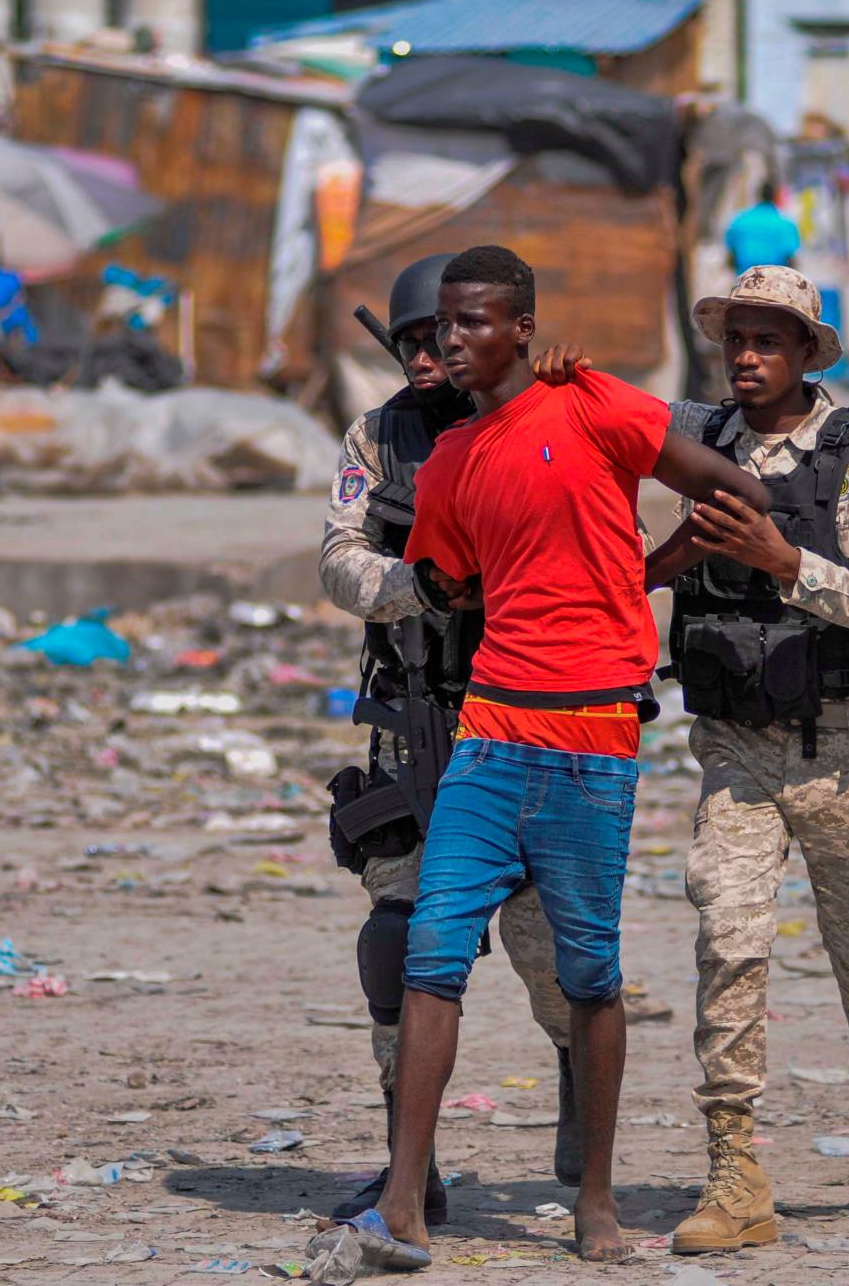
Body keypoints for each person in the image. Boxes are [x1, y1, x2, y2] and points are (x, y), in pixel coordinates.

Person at [337, 245, 768, 1270]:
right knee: (425, 950)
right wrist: (429, 582)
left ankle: (595, 1193)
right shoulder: (419, 451)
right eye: (433, 330)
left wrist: (651, 567)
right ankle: (404, 1197)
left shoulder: (592, 401)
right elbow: (421, 574)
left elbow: (728, 479)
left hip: (590, 741)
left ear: (521, 327)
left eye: (467, 324)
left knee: (586, 972)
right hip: (478, 733)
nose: (446, 344)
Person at [642, 264, 849, 1253]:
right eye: (735, 338)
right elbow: (603, 424)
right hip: (736, 747)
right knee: (727, 940)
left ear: (808, 351)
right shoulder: (701, 439)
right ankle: (734, 1168)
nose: (747, 356)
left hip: (846, 748)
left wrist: (782, 561)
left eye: (768, 340)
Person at [317, 253, 583, 1226]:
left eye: (441, 335)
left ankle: (578, 1074)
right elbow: (339, 556)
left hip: (526, 718)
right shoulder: (377, 435)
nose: (426, 356)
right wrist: (417, 585)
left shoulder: (539, 418)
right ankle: (409, 1165)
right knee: (398, 942)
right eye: (411, 342)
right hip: (414, 723)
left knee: (550, 949)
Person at [724, 182, 801, 275]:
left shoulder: (740, 220)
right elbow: (790, 255)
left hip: (744, 277)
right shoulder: (786, 224)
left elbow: (731, 252)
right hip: (776, 278)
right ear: (775, 197)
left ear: (758, 196)